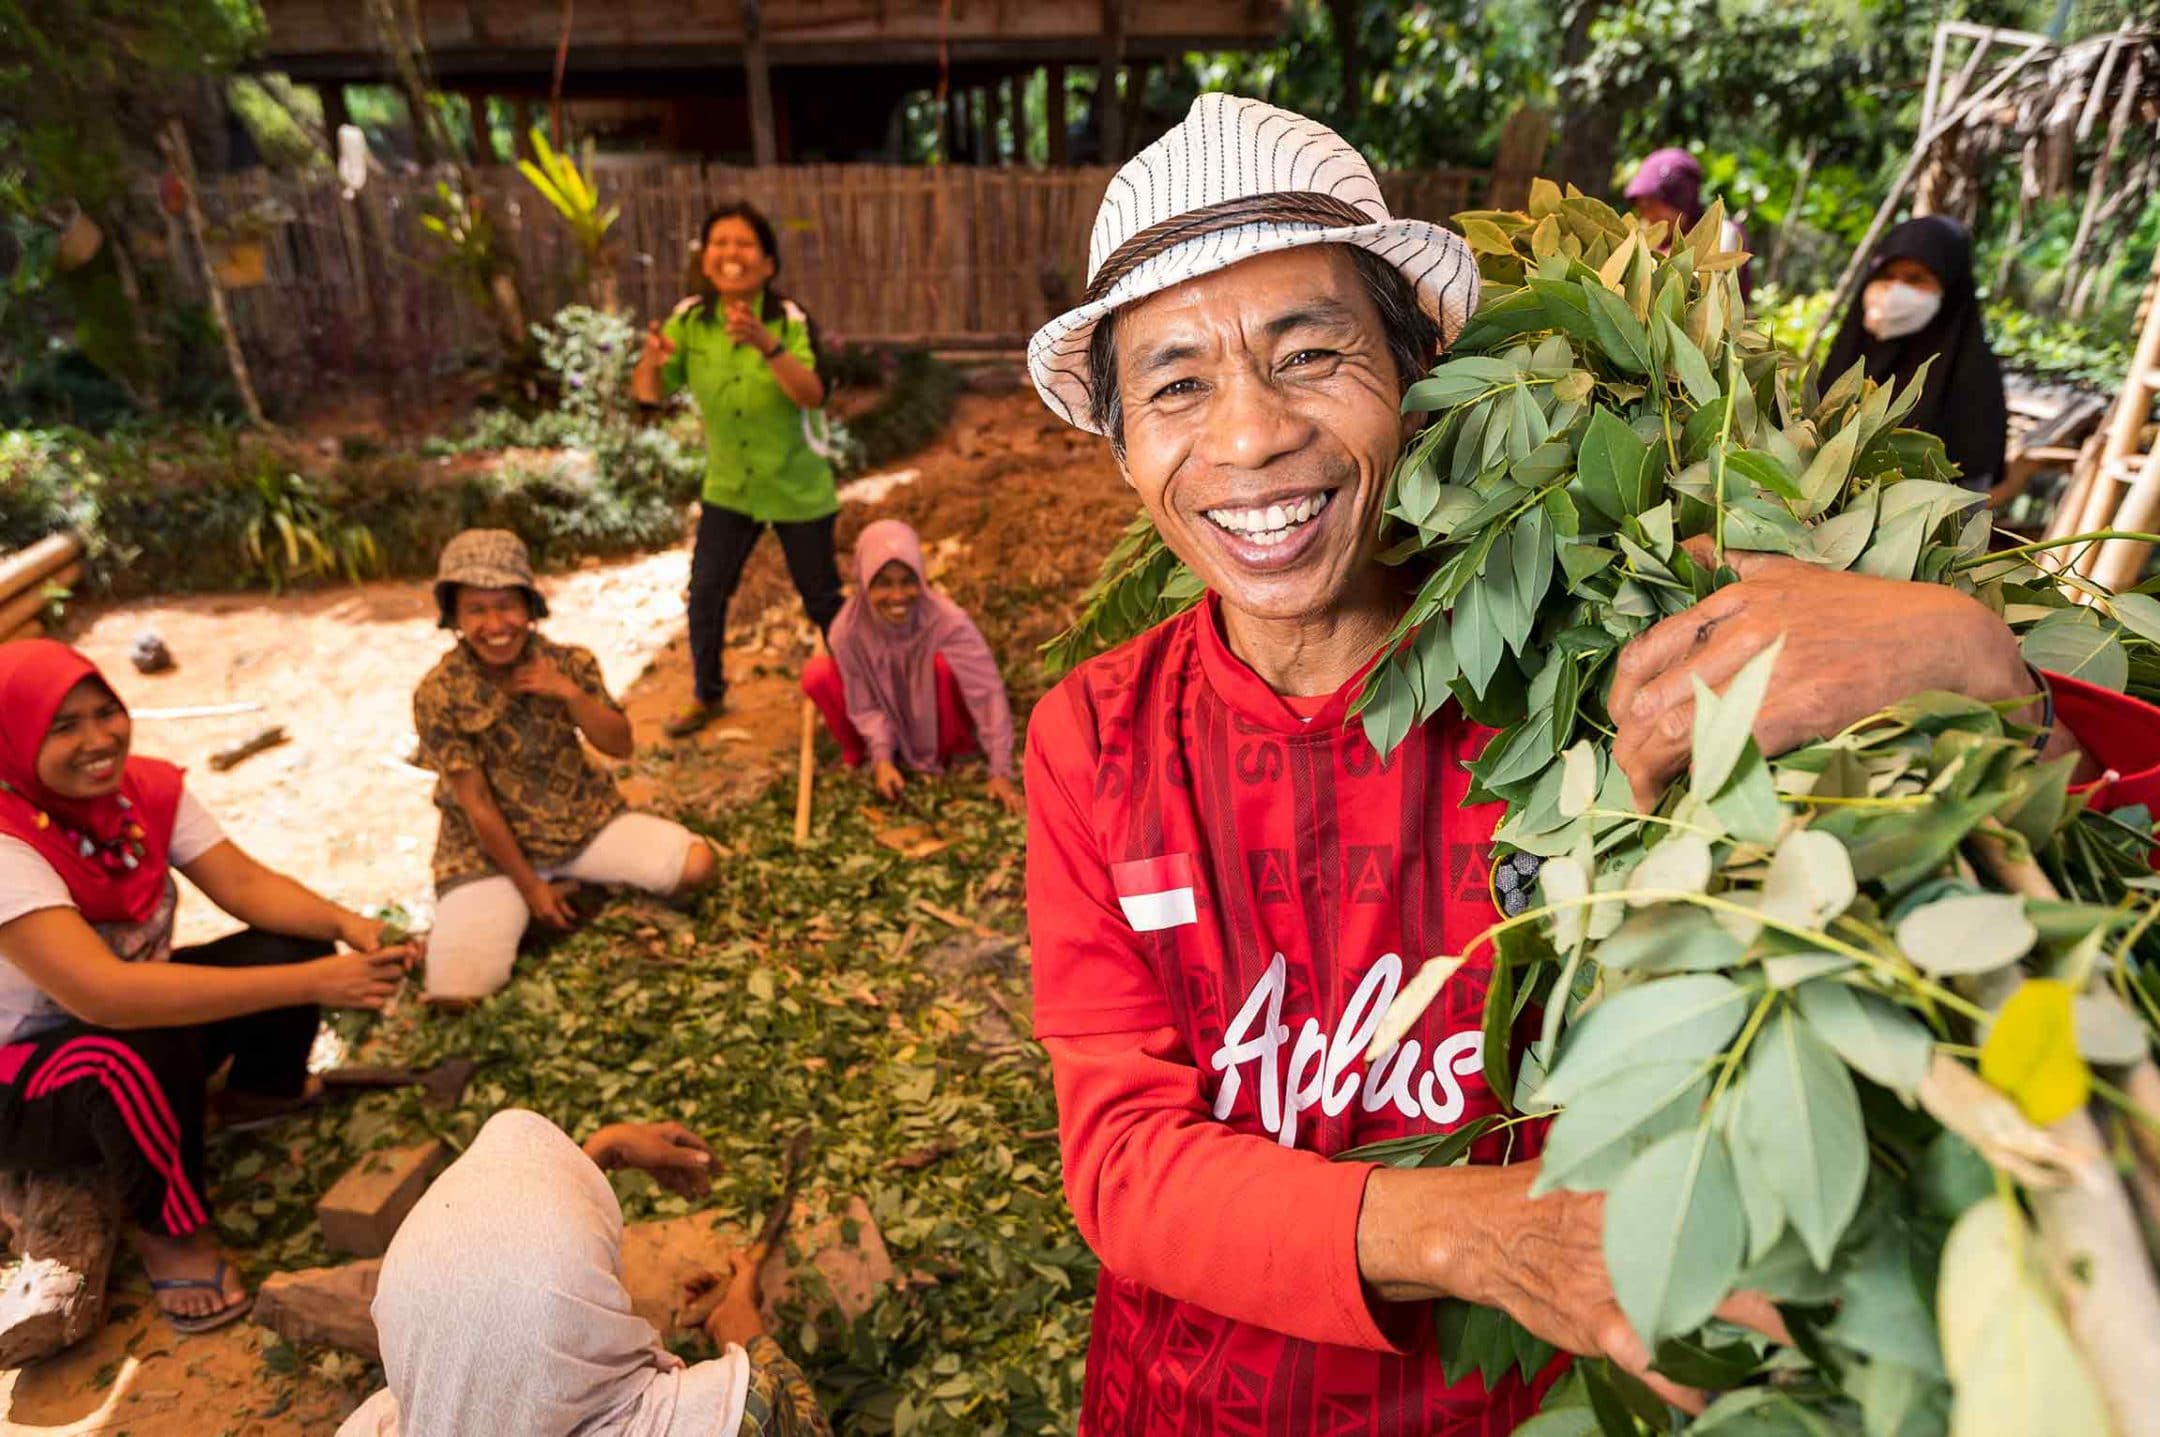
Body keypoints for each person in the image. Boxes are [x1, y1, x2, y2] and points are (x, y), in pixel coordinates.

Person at [1021, 93, 2160, 1433]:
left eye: (1310, 354)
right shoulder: (1095, 735)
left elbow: (2042, 901)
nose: (1251, 434)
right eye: (1175, 384)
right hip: (1198, 1399)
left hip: (1524, 1404)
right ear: (1119, 447)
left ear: (1417, 375)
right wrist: (1485, 1232)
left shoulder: (1610, 659)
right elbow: (1123, 1160)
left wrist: (1985, 674)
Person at [0, 640, 415, 1335]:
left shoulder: (143, 792)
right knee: (138, 1034)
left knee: (287, 943)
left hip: (126, 1020)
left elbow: (247, 887)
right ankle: (169, 1234)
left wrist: (349, 926)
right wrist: (316, 981)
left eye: (106, 711)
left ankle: (258, 1094)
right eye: (62, 725)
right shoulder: (7, 845)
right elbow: (104, 996)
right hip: (24, 1083)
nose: (98, 739)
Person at [337, 1108, 829, 1436]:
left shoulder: (408, 1411)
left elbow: (496, 1278)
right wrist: (746, 1333)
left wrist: (600, 1154)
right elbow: (792, 1419)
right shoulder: (751, 1417)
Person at [416, 530, 718, 1001]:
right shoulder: (439, 694)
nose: (495, 624)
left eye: (507, 605)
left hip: (580, 826)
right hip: (488, 856)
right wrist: (532, 887)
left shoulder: (570, 664)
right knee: (458, 993)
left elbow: (621, 746)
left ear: (530, 607)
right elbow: (476, 805)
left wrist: (570, 694)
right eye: (476, 609)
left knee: (696, 866)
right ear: (454, 617)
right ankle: (538, 901)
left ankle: (575, 888)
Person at [633, 201, 847, 739]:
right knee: (705, 592)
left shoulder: (788, 321)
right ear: (705, 260)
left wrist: (766, 345)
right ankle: (707, 694)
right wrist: (652, 361)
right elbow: (648, 395)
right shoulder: (690, 320)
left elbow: (813, 395)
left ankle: (862, 694)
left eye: (744, 244)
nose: (731, 253)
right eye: (720, 243)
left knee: (822, 600)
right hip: (730, 489)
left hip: (796, 487)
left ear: (768, 264)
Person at [802, 519, 1023, 817]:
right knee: (817, 675)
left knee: (944, 667)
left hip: (935, 725)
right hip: (882, 732)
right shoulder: (847, 630)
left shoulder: (946, 620)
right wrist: (881, 756)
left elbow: (986, 693)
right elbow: (863, 702)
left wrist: (1000, 770)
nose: (897, 596)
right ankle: (864, 758)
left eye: (907, 581)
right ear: (865, 583)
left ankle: (952, 753)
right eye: (884, 584)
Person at [1821, 215, 2007, 494]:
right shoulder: (1850, 353)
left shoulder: (1972, 379)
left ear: (1950, 287)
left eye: (1914, 278)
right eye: (1887, 275)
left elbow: (1972, 486)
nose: (1894, 290)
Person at [1623, 147, 1753, 299]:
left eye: (1652, 204)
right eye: (1641, 207)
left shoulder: (1722, 234)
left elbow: (1703, 287)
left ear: (1681, 200)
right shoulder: (1649, 241)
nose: (1647, 215)